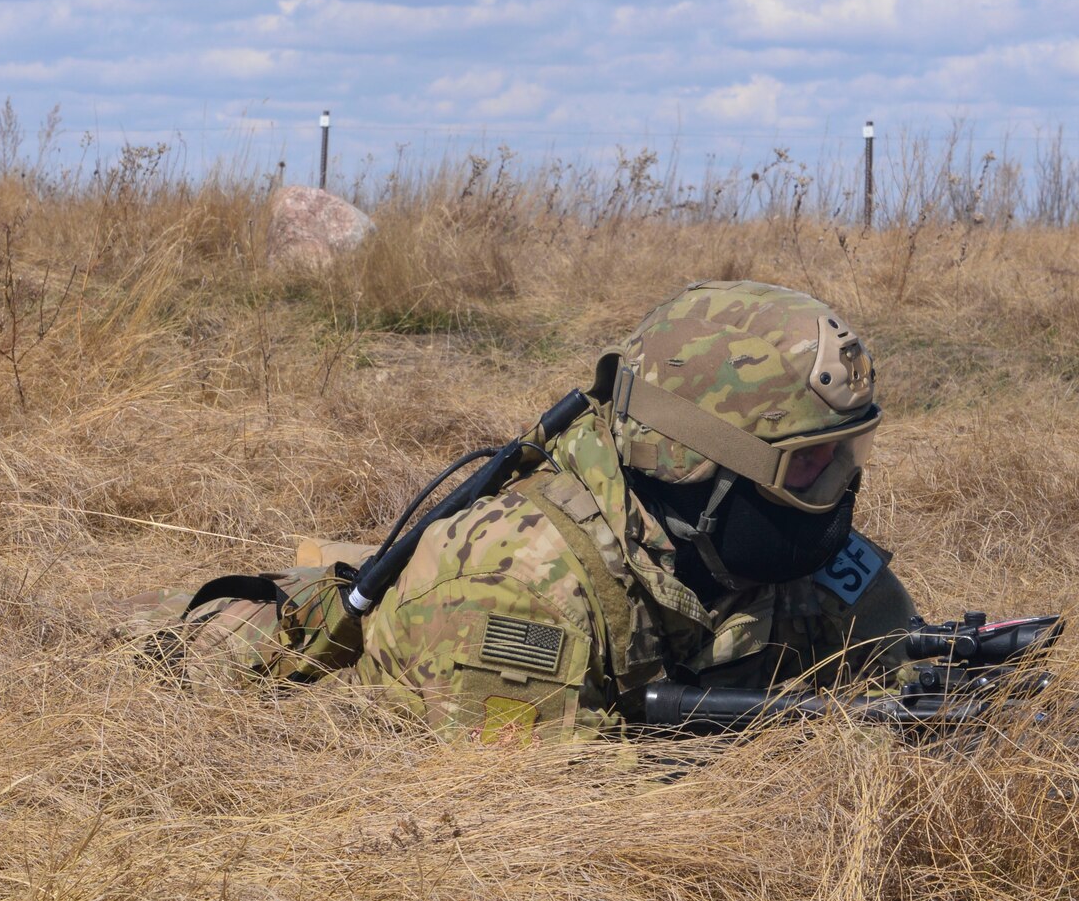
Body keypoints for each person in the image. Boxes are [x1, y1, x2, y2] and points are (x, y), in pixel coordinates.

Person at [111, 280, 919, 742]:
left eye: (851, 454)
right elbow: (550, 823)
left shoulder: (772, 549)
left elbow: (897, 655)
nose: (838, 489)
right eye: (808, 465)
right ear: (693, 458)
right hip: (228, 663)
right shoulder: (515, 582)